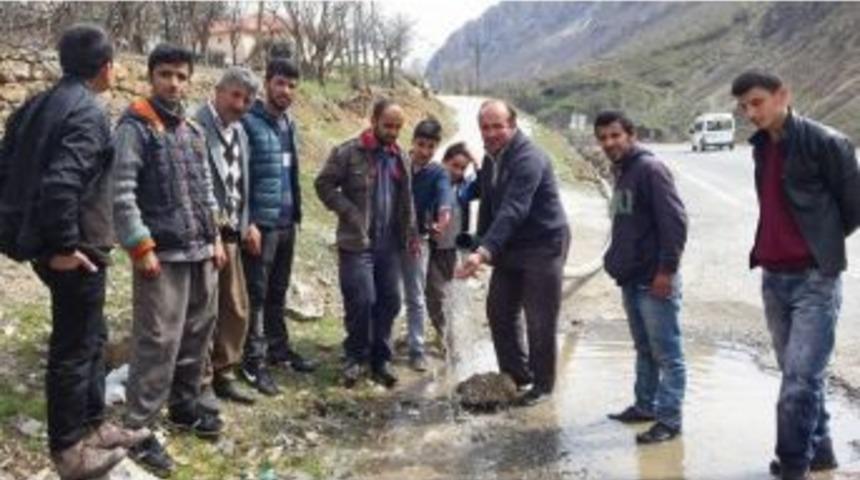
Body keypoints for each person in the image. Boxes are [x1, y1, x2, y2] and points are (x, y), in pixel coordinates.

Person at [0, 24, 148, 479]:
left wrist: (37, 240)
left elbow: (6, 165)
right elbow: (62, 183)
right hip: (76, 250)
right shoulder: (87, 112)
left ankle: (95, 425)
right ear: (105, 68)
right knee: (74, 348)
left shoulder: (36, 104)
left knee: (93, 338)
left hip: (44, 242)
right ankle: (69, 450)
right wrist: (63, 247)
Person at [731, 70, 860, 480]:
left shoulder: (827, 142)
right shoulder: (761, 146)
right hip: (773, 277)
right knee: (797, 376)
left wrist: (816, 243)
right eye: (744, 107)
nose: (751, 113)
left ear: (782, 95)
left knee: (799, 382)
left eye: (757, 102)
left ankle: (792, 466)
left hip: (814, 280)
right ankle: (820, 453)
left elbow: (853, 209)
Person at [113, 44, 226, 476]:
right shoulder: (135, 127)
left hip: (201, 251)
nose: (173, 84)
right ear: (151, 77)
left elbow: (206, 191)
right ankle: (138, 429)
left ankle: (184, 407)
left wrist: (216, 237)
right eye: (165, 75)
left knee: (197, 335)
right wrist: (140, 246)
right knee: (157, 341)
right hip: (161, 256)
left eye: (181, 76)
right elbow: (122, 193)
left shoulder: (193, 131)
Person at [456, 100, 570, 407]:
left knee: (539, 317)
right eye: (485, 127)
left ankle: (543, 386)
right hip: (512, 244)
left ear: (513, 126)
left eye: (498, 126)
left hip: (543, 243)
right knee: (499, 309)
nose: (491, 133)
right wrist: (480, 243)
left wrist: (484, 253)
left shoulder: (529, 158)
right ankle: (517, 375)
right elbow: (489, 205)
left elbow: (513, 209)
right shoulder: (492, 157)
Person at [595, 110, 688, 445]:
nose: (609, 143)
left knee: (668, 355)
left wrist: (666, 272)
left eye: (615, 135)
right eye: (603, 138)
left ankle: (669, 421)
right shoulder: (622, 171)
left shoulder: (650, 169)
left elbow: (675, 223)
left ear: (631, 135)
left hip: (654, 279)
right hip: (632, 278)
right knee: (644, 348)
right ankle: (645, 406)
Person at [315, 98, 419, 388]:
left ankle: (380, 359)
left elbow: (407, 201)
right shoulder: (348, 152)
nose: (393, 132)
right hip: (356, 242)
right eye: (388, 126)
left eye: (398, 127)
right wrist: (348, 211)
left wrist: (411, 234)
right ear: (373, 121)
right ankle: (355, 358)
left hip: (390, 245)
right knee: (362, 300)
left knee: (390, 301)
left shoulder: (401, 157)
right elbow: (323, 184)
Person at [239, 58, 316, 398]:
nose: (286, 91)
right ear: (267, 82)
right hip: (262, 226)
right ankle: (253, 362)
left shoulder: (288, 123)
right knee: (256, 295)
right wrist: (248, 223)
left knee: (278, 292)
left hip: (287, 223)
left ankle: (279, 350)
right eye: (281, 83)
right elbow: (239, 179)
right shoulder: (248, 123)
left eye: (292, 85)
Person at [194, 66, 260, 413]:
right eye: (235, 95)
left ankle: (224, 371)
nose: (240, 104)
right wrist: (211, 233)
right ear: (218, 91)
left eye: (247, 100)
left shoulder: (241, 132)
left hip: (233, 232)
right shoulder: (195, 126)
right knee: (204, 311)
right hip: (202, 234)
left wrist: (249, 223)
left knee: (235, 307)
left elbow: (243, 183)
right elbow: (196, 187)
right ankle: (200, 381)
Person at [400, 118, 452, 371]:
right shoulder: (398, 162)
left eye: (431, 146)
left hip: (417, 241)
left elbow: (444, 197)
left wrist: (443, 218)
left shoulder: (438, 172)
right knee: (386, 294)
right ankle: (379, 345)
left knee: (415, 296)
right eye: (421, 144)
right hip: (388, 238)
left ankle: (417, 350)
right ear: (413, 142)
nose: (425, 151)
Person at [427, 142, 479, 350]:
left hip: (453, 251)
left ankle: (449, 337)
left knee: (452, 295)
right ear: (444, 162)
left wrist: (476, 162)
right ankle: (445, 337)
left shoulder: (464, 189)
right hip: (432, 249)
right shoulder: (432, 184)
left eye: (462, 168)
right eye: (454, 166)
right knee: (435, 295)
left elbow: (485, 184)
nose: (458, 171)